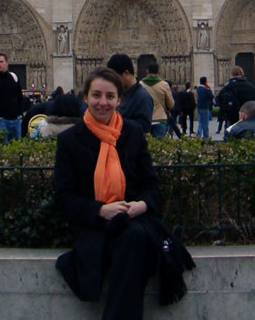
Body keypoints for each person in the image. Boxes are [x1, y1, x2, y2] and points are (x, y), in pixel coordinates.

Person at [54, 67, 194, 319]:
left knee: (133, 236)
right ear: (85, 98)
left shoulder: (132, 134)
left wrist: (141, 205)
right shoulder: (69, 141)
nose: (103, 102)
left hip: (131, 219)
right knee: (135, 241)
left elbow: (152, 186)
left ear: (120, 99)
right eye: (96, 95)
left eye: (110, 96)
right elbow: (64, 198)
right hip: (94, 226)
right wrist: (100, 210)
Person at [107, 53, 153, 134]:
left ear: (126, 73)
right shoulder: (119, 93)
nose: (113, 82)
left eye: (115, 78)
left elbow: (143, 128)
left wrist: (116, 120)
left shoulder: (142, 97)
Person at [140, 61, 174, 139]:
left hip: (145, 120)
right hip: (160, 119)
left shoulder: (140, 84)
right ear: (159, 71)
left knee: (145, 147)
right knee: (159, 147)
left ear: (147, 71)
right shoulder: (164, 85)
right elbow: (171, 105)